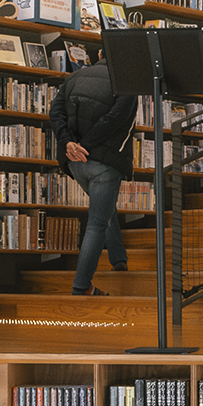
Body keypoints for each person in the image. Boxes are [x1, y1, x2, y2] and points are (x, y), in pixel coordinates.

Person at [47, 31, 137, 295]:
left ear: (98, 55)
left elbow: (55, 113)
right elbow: (117, 120)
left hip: (75, 163)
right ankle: (82, 286)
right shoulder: (127, 84)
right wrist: (85, 146)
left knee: (103, 208)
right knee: (97, 222)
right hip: (103, 164)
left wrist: (68, 144)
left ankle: (118, 258)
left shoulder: (74, 77)